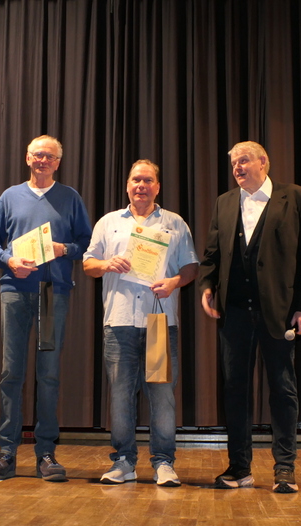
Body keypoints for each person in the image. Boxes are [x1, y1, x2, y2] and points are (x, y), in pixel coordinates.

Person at [199, 141, 301, 492]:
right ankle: (239, 468)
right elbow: (211, 254)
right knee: (235, 390)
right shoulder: (225, 202)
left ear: (263, 162)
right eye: (233, 164)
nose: (237, 168)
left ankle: (285, 468)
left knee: (283, 390)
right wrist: (207, 286)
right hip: (235, 312)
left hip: (280, 310)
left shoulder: (296, 198)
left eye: (244, 161)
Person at [83, 160, 199, 487]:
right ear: (127, 185)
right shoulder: (108, 223)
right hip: (119, 322)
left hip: (158, 322)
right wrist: (107, 264)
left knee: (162, 397)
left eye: (148, 180)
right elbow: (88, 264)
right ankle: (124, 462)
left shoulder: (175, 223)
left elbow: (191, 266)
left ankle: (163, 463)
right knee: (120, 396)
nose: (141, 186)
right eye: (136, 180)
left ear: (157, 187)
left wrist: (174, 281)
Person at [0, 135, 92, 482]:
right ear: (27, 158)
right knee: (11, 374)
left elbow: (87, 244)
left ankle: (46, 452)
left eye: (50, 156)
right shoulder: (9, 197)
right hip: (15, 292)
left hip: (51, 293)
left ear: (58, 162)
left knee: (48, 374)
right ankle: (6, 452)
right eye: (38, 155)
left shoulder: (70, 197)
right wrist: (9, 260)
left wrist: (64, 250)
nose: (43, 160)